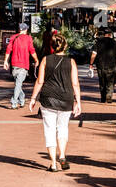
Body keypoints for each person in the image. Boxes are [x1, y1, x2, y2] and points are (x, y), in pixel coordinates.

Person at [29, 30, 81, 170]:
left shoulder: (46, 60)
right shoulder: (71, 62)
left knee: (49, 130)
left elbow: (39, 81)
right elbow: (75, 83)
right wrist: (78, 102)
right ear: (65, 46)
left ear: (52, 46)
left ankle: (53, 163)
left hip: (48, 99)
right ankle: (62, 155)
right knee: (62, 128)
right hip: (66, 99)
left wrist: (33, 98)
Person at [3, 25, 38, 108]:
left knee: (18, 84)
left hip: (14, 64)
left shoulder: (13, 37)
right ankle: (15, 101)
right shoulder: (28, 38)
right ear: (26, 29)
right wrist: (36, 60)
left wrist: (5, 61)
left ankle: (20, 100)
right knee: (18, 84)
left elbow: (8, 50)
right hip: (24, 64)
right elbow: (32, 50)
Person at [90, 28, 116, 103]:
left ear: (104, 34)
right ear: (110, 34)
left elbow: (94, 54)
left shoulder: (98, 42)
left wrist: (91, 64)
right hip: (112, 65)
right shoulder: (114, 42)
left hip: (101, 65)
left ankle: (103, 97)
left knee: (102, 81)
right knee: (111, 81)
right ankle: (109, 96)